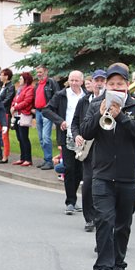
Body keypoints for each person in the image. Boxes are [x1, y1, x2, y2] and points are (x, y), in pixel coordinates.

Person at [78, 63, 135, 270]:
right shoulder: (96, 105)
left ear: (127, 85)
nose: (116, 87)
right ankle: (103, 269)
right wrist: (99, 115)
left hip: (128, 175)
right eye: (112, 84)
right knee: (104, 221)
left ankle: (119, 265)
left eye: (120, 83)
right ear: (106, 86)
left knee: (123, 224)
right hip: (102, 174)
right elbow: (85, 132)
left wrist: (121, 117)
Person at [69, 70, 108, 233]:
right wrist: (77, 135)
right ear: (91, 82)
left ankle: (102, 216)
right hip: (87, 148)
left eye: (102, 80)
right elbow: (75, 122)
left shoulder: (110, 100)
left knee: (103, 184)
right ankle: (89, 218)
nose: (99, 83)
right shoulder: (84, 101)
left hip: (104, 147)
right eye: (96, 80)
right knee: (88, 184)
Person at [44, 70, 87, 214]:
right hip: (67, 136)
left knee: (80, 170)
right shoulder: (61, 95)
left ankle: (74, 199)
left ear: (82, 82)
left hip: (83, 137)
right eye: (71, 80)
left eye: (76, 80)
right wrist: (60, 121)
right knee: (69, 168)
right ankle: (70, 201)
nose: (73, 83)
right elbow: (46, 110)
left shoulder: (86, 96)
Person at [33, 64, 60, 170]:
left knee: (45, 137)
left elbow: (56, 96)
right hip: (38, 112)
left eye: (40, 72)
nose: (39, 74)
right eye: (37, 72)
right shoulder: (37, 84)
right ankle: (46, 159)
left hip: (46, 112)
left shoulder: (51, 83)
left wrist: (49, 107)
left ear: (46, 71)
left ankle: (49, 161)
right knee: (41, 138)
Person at [11, 72, 35, 167]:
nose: (19, 80)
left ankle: (28, 159)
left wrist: (16, 107)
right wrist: (13, 106)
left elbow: (27, 101)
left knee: (24, 137)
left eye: (21, 78)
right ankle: (22, 157)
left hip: (24, 114)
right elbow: (15, 100)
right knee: (19, 137)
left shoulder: (30, 89)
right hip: (17, 115)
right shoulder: (20, 89)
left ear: (26, 80)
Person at [0, 68, 15, 163]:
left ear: (6, 76)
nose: (0, 77)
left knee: (4, 135)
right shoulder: (1, 86)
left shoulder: (11, 87)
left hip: (5, 112)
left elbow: (8, 99)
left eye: (2, 75)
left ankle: (5, 156)